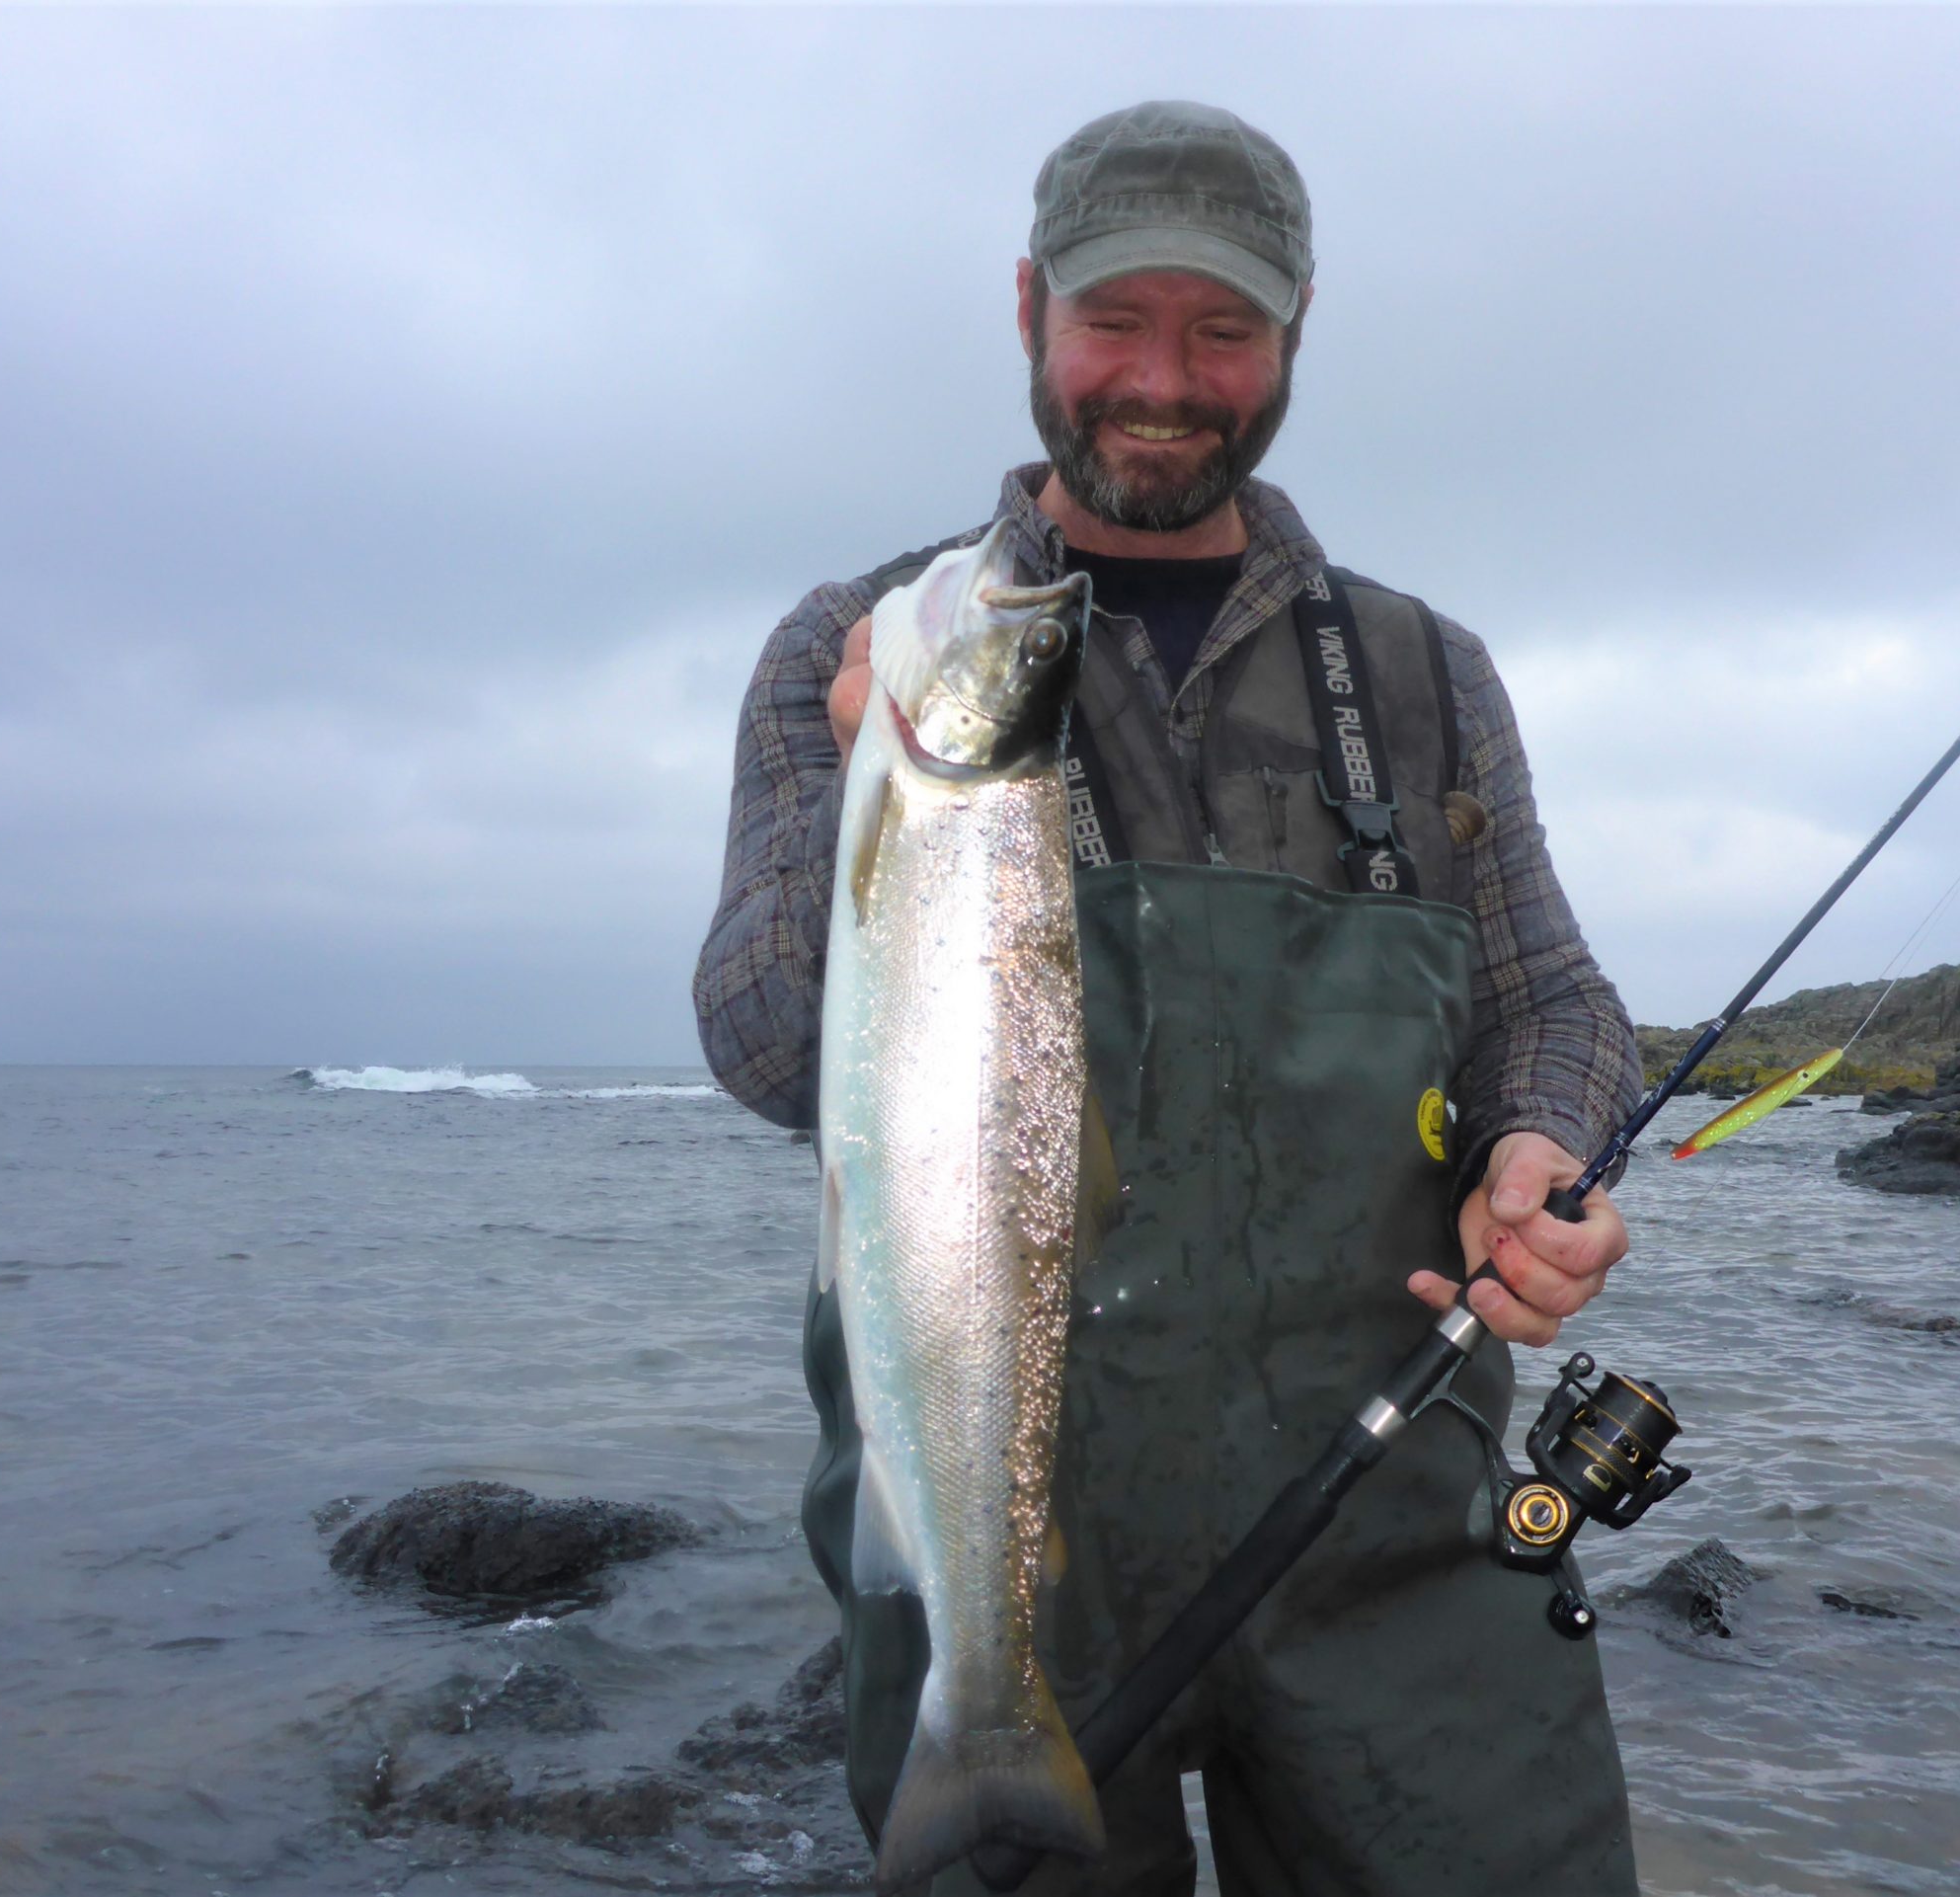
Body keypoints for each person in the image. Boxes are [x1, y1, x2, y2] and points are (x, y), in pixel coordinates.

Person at [695, 101, 1643, 1896]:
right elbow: (757, 1047)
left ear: (1293, 340)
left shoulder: (1429, 673)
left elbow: (1558, 1000)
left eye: (1223, 331)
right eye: (1116, 321)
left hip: (1391, 1523)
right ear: (1031, 309)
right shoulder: (862, 645)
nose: (1163, 379)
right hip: (998, 1533)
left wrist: (1541, 1148)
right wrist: (872, 817)